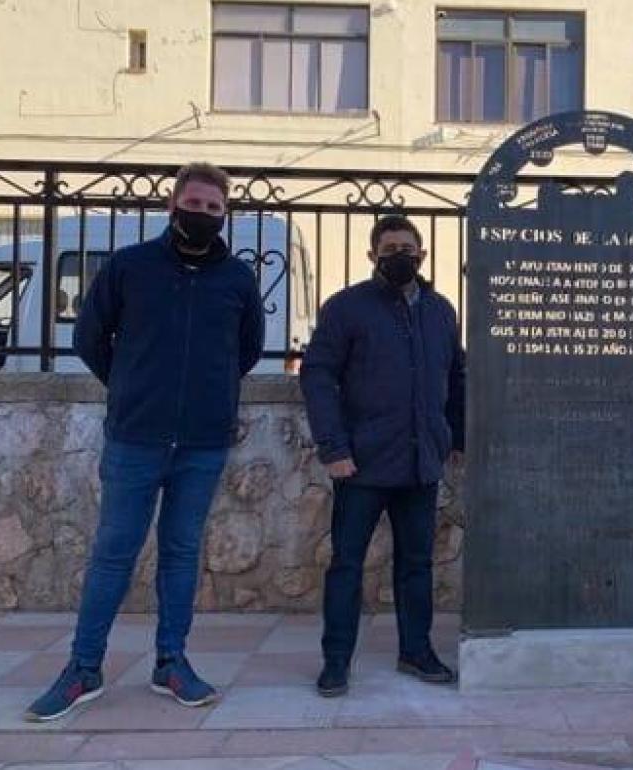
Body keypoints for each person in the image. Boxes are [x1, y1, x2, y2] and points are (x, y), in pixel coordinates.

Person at [24, 163, 265, 722]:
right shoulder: (130, 267)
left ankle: (171, 663)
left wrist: (209, 394)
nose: (202, 215)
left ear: (223, 215)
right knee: (114, 553)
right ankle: (83, 669)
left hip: (204, 443)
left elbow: (246, 351)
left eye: (213, 209)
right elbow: (89, 337)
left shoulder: (237, 279)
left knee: (182, 553)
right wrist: (132, 385)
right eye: (195, 204)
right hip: (136, 438)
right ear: (172, 207)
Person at [301, 214, 465, 697]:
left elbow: (455, 375)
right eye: (389, 248)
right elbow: (317, 377)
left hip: (421, 464)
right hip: (361, 464)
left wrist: (454, 437)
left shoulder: (439, 310)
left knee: (416, 563)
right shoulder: (347, 308)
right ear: (373, 255)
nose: (400, 255)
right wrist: (334, 447)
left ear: (423, 255)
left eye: (407, 248)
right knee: (347, 564)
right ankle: (336, 661)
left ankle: (416, 650)